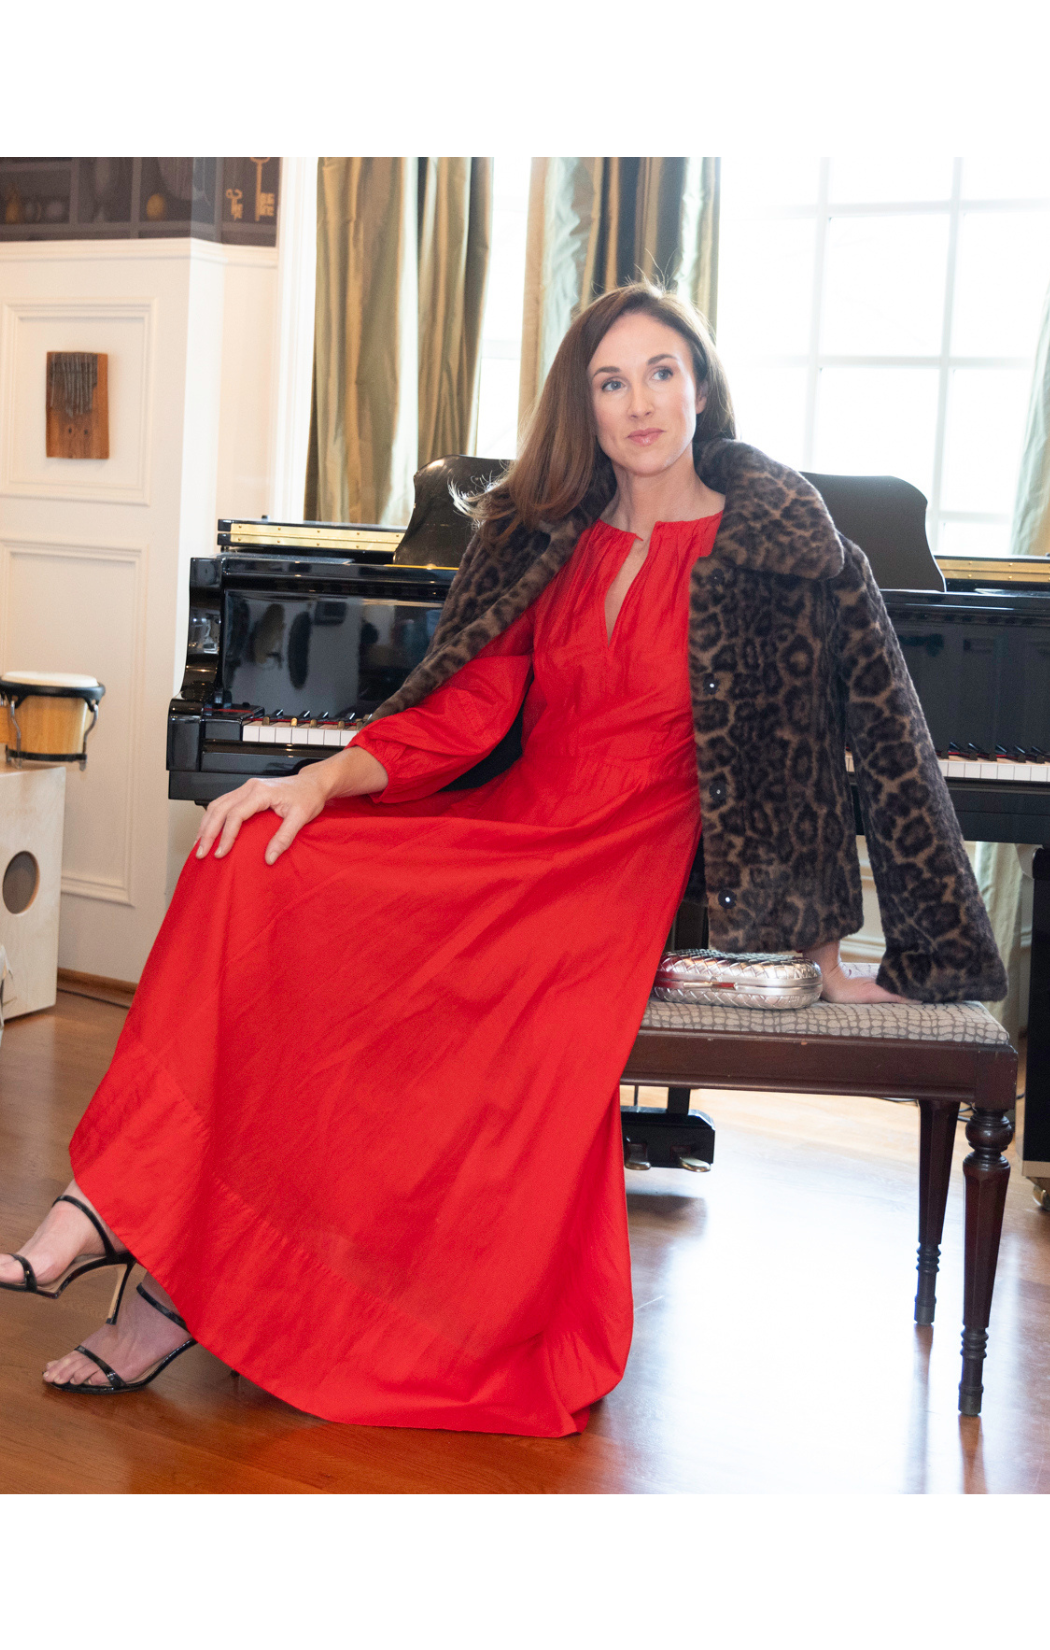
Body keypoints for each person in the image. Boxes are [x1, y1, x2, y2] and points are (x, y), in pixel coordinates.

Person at [0, 283, 1005, 1433]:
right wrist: (314, 780)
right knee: (252, 859)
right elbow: (460, 712)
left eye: (662, 373)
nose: (640, 404)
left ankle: (163, 1253)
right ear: (584, 405)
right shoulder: (546, 536)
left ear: (703, 383)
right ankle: (126, 1207)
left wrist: (849, 951)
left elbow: (869, 742)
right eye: (611, 382)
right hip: (520, 817)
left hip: (635, 862)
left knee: (417, 964)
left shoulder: (787, 550)